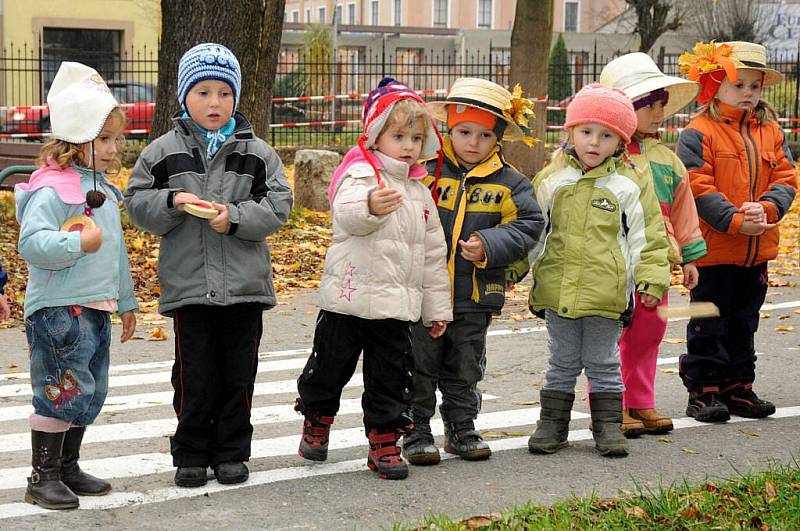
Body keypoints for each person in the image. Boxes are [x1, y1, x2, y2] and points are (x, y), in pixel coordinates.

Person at [124, 43, 292, 488]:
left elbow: (278, 205)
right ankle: (192, 453)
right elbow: (136, 203)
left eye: (223, 92)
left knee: (239, 374)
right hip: (190, 288)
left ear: (236, 97)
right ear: (185, 98)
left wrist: (234, 218)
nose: (214, 102)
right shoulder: (161, 152)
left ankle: (232, 452)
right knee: (195, 376)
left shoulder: (257, 152)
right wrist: (173, 201)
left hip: (245, 288)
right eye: (203, 92)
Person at [294, 78, 452, 480]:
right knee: (329, 367)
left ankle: (383, 440)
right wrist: (369, 204)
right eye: (398, 135)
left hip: (396, 309)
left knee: (391, 378)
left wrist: (436, 309)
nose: (408, 145)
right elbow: (345, 212)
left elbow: (433, 255)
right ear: (377, 134)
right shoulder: (361, 172)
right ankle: (317, 417)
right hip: (348, 300)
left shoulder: (419, 191)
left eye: (416, 137)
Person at [15, 62, 138, 509]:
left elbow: (116, 251)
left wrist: (126, 301)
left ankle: (67, 466)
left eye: (117, 139)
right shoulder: (51, 190)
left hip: (96, 305)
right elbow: (32, 243)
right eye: (104, 139)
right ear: (75, 138)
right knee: (59, 386)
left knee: (87, 387)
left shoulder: (101, 188)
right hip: (58, 308)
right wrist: (74, 242)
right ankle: (42, 475)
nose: (114, 148)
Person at [402, 78, 544, 466]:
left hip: (474, 294)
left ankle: (462, 427)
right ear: (449, 128)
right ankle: (415, 430)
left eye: (484, 135)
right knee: (419, 364)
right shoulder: (423, 171)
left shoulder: (511, 184)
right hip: (421, 294)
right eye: (465, 132)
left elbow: (529, 225)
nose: (473, 143)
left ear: (497, 139)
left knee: (465, 366)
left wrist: (490, 244)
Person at [525, 83, 670, 458]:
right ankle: (552, 425)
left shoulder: (629, 183)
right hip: (558, 292)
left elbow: (648, 236)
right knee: (562, 361)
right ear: (570, 132)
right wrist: (511, 271)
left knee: (604, 361)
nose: (594, 142)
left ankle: (607, 426)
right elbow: (532, 232)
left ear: (620, 142)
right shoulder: (552, 180)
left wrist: (651, 278)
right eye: (586, 131)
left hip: (607, 295)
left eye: (606, 136)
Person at [675, 41, 797, 422]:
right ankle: (704, 389)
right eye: (738, 84)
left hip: (755, 251)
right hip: (711, 251)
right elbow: (696, 186)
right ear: (714, 85)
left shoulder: (772, 132)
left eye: (754, 86)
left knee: (745, 321)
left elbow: (786, 177)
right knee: (707, 320)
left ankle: (738, 386)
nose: (747, 93)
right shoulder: (698, 132)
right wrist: (733, 219)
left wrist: (768, 207)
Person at [599, 53, 707, 436]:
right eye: (648, 105)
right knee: (610, 334)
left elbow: (684, 211)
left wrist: (690, 256)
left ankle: (639, 401)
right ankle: (611, 403)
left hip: (655, 261)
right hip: (609, 261)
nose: (658, 112)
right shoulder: (602, 154)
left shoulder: (667, 160)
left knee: (649, 332)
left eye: (661, 103)